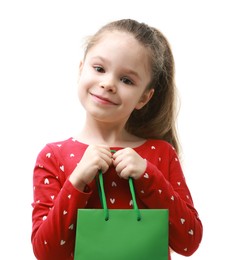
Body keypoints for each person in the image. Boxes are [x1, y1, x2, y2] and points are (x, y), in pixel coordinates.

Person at [31, 18, 203, 259]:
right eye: (99, 68)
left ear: (144, 97)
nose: (109, 84)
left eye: (127, 80)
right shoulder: (53, 156)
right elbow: (46, 252)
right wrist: (77, 180)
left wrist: (148, 176)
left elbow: (188, 241)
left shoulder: (161, 154)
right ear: (81, 69)